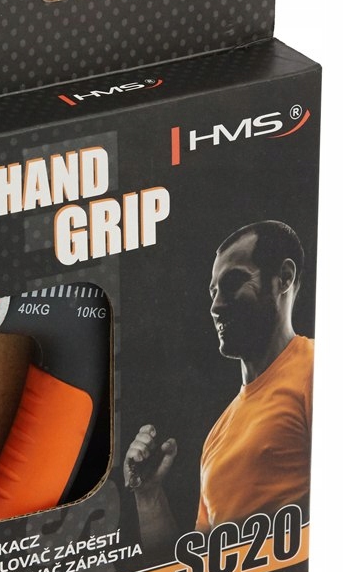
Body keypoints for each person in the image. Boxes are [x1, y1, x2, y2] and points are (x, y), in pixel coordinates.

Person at [123, 220, 313, 552]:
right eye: (213, 292)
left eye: (234, 282)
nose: (216, 307)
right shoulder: (217, 436)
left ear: (284, 278)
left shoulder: (315, 369)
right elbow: (197, 568)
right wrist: (148, 496)